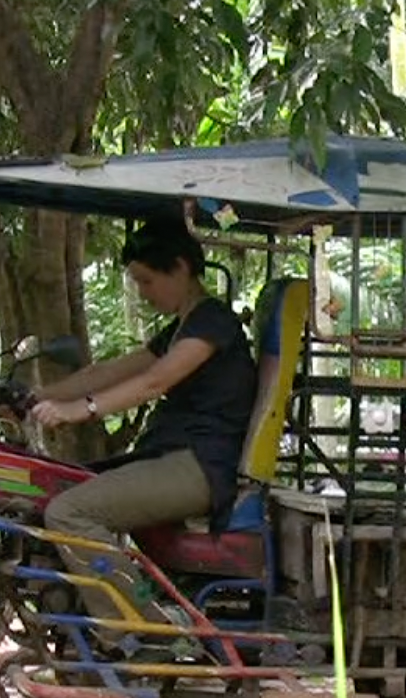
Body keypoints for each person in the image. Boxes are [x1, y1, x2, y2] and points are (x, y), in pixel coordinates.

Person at [29, 217, 257, 624]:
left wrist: (79, 411)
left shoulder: (213, 322)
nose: (143, 292)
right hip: (175, 458)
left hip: (200, 466)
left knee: (69, 513)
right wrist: (38, 397)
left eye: (147, 280)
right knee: (54, 485)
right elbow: (111, 372)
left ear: (181, 269)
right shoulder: (182, 328)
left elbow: (153, 382)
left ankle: (141, 632)